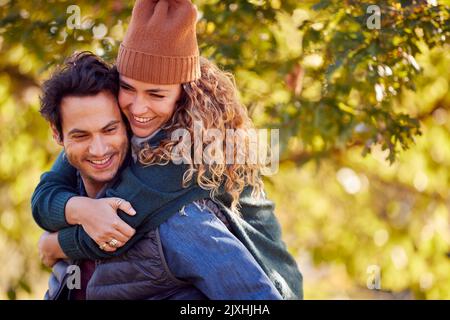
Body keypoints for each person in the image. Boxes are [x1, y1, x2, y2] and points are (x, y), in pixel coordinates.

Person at [33, 0, 302, 299]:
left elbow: (112, 230)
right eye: (128, 88)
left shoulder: (194, 151)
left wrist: (52, 245)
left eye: (156, 94)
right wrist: (78, 208)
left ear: (184, 94)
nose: (138, 107)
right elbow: (47, 193)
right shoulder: (114, 125)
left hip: (266, 282)